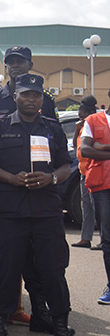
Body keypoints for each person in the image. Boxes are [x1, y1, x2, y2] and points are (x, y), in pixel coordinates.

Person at [0, 74, 75, 336]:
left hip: (46, 212)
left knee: (53, 272)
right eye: (26, 94)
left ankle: (60, 333)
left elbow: (65, 166)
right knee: (5, 272)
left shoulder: (53, 128)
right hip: (11, 211)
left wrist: (51, 179)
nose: (31, 99)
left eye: (36, 95)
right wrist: (11, 178)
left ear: (42, 99)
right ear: (16, 97)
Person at [0, 47, 60, 336]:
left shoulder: (44, 100)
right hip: (2, 192)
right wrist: (8, 179)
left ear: (30, 64)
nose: (15, 66)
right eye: (10, 62)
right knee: (3, 258)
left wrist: (49, 178)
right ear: (6, 67)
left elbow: (55, 143)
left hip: (40, 194)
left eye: (20, 62)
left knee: (38, 259)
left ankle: (40, 312)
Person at [78, 92, 110, 305]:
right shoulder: (93, 120)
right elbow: (86, 149)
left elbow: (95, 147)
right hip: (103, 187)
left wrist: (103, 147)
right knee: (108, 238)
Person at [71, 95, 98, 249]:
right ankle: (86, 238)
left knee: (99, 206)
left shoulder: (95, 124)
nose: (81, 117)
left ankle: (104, 238)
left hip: (95, 171)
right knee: (86, 206)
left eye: (83, 114)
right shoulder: (83, 126)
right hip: (83, 172)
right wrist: (77, 129)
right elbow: (76, 144)